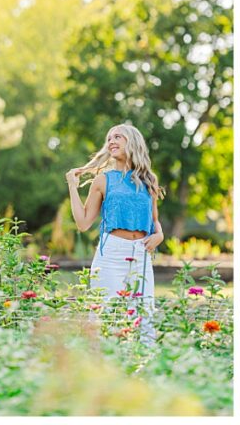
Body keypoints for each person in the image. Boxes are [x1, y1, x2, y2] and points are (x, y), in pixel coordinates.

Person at [65, 124, 165, 342]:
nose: (111, 141)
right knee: (104, 314)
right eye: (109, 138)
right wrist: (73, 187)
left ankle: (146, 370)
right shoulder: (103, 180)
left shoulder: (149, 180)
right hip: (111, 253)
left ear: (133, 142)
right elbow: (83, 223)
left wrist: (160, 236)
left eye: (117, 137)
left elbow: (154, 220)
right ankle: (99, 368)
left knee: (145, 315)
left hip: (142, 253)